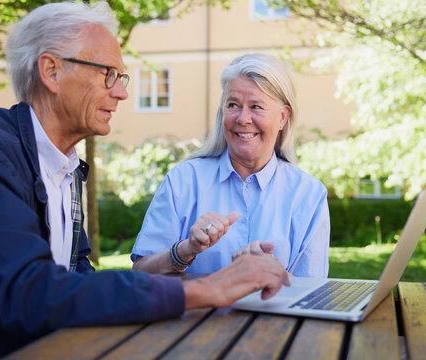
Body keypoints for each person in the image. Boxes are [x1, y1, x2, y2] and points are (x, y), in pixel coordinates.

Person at [0, 3, 290, 359]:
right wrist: (204, 290)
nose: (122, 93)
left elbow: (78, 279)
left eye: (121, 78)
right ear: (51, 72)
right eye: (107, 74)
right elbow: (26, 294)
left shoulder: (63, 166)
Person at [132, 53, 330, 277]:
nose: (243, 119)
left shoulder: (309, 194)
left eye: (256, 106)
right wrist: (186, 249)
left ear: (283, 117)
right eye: (233, 105)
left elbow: (313, 293)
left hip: (275, 314)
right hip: (194, 313)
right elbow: (140, 272)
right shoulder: (183, 180)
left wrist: (270, 272)